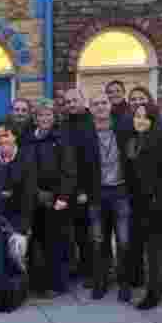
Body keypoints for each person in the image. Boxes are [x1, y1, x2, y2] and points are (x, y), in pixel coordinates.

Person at [73, 93, 133, 301]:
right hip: (97, 193)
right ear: (90, 108)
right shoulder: (84, 132)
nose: (100, 107)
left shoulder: (124, 128)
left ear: (110, 106)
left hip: (121, 192)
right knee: (99, 242)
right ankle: (101, 282)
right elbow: (78, 165)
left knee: (124, 241)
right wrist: (81, 190)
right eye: (95, 103)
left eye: (103, 103)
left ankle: (125, 284)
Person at [125, 102, 162, 310]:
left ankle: (154, 293)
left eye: (144, 117)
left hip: (159, 204)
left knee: (156, 250)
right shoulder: (135, 141)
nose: (139, 120)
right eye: (137, 116)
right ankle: (161, 284)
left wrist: (160, 199)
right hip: (140, 203)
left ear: (154, 119)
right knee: (151, 249)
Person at [0, 119, 36, 280]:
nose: (2, 140)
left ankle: (18, 283)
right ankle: (1, 282)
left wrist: (20, 229)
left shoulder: (26, 159)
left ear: (14, 137)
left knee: (16, 252)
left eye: (6, 135)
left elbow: (28, 197)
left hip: (17, 218)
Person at [30, 99, 77, 295]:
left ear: (53, 117)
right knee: (37, 242)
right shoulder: (28, 139)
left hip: (56, 198)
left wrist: (63, 197)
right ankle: (39, 283)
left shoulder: (61, 138)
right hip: (34, 198)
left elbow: (69, 170)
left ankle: (57, 284)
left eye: (48, 114)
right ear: (35, 118)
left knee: (56, 244)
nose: (45, 118)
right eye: (41, 115)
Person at [63, 88, 94, 287]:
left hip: (86, 188)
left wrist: (85, 190)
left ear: (83, 100)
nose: (71, 104)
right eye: (68, 102)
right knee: (72, 231)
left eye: (75, 100)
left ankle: (92, 271)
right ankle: (78, 267)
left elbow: (91, 160)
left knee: (88, 233)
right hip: (69, 187)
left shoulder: (92, 123)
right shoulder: (65, 125)